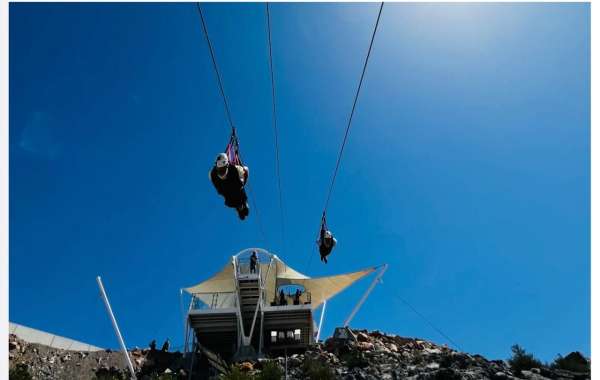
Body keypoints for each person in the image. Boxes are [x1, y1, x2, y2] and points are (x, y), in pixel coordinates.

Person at [209, 153, 250, 220]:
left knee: (244, 207)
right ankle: (241, 207)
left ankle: (242, 207)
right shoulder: (212, 174)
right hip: (230, 196)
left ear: (227, 166)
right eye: (220, 170)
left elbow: (246, 171)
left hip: (237, 192)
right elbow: (246, 171)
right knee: (241, 205)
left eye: (223, 169)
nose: (222, 172)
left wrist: (242, 184)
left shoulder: (235, 169)